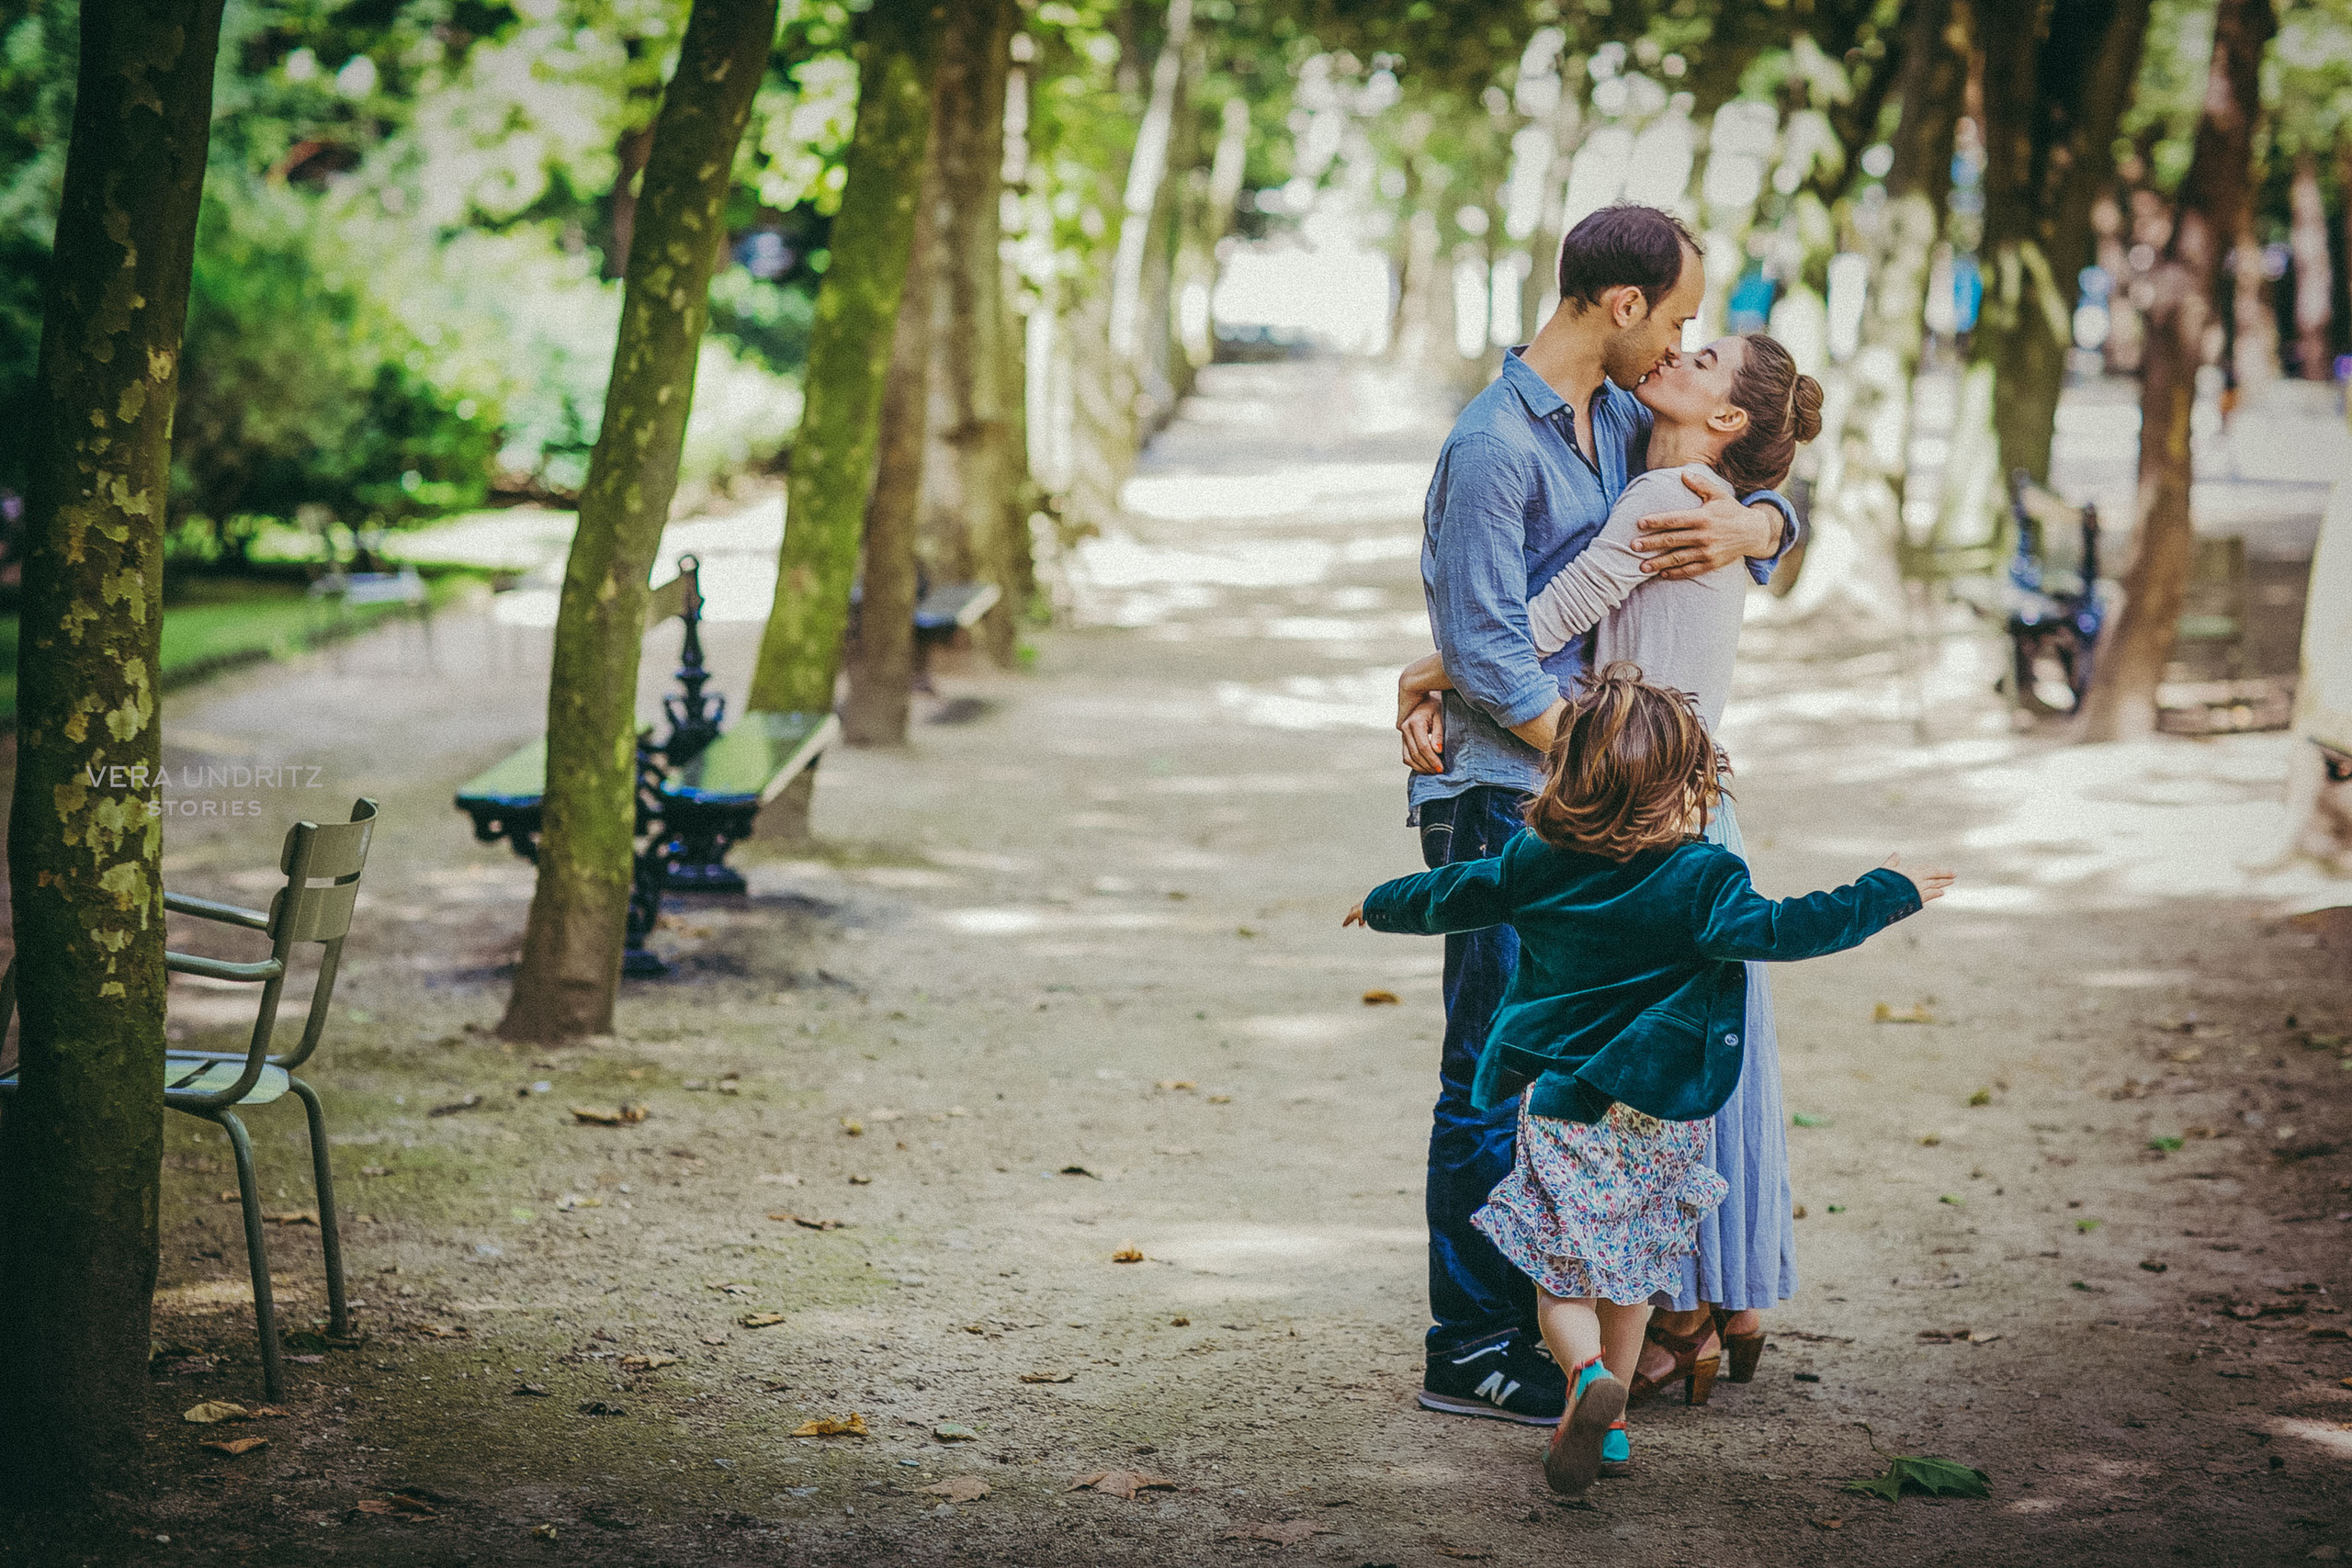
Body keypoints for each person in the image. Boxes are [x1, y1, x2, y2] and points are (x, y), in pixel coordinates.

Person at [1346, 667, 1954, 1496]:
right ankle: (1616, 1415)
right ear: (1686, 785)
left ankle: (1585, 1376)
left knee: (1562, 1279)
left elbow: (1457, 892)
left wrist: (1381, 904)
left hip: (1563, 1111)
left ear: (1570, 775)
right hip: (1663, 1118)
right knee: (1630, 1274)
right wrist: (1890, 890)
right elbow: (1789, 927)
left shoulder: (1535, 859)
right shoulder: (1702, 881)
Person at [1405, 203, 1803, 1427]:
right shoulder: (1494, 447)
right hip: (1510, 804)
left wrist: (1765, 522)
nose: (1683, 338)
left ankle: (1589, 1324)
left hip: (1591, 810)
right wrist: (1628, 761)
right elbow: (1493, 648)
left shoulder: (1629, 414)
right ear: (1624, 308)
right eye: (1679, 315)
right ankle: (1470, 1343)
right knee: (1493, 1067)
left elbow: (1759, 467)